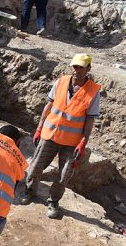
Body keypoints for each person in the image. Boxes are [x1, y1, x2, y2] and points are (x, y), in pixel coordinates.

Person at [20, 54, 101, 219]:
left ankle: (53, 201)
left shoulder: (93, 92)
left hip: (71, 142)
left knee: (64, 175)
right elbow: (48, 106)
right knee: (35, 166)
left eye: (81, 68)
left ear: (88, 69)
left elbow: (90, 120)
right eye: (75, 67)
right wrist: (39, 128)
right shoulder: (61, 81)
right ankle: (29, 190)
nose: (76, 71)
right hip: (50, 134)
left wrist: (83, 142)